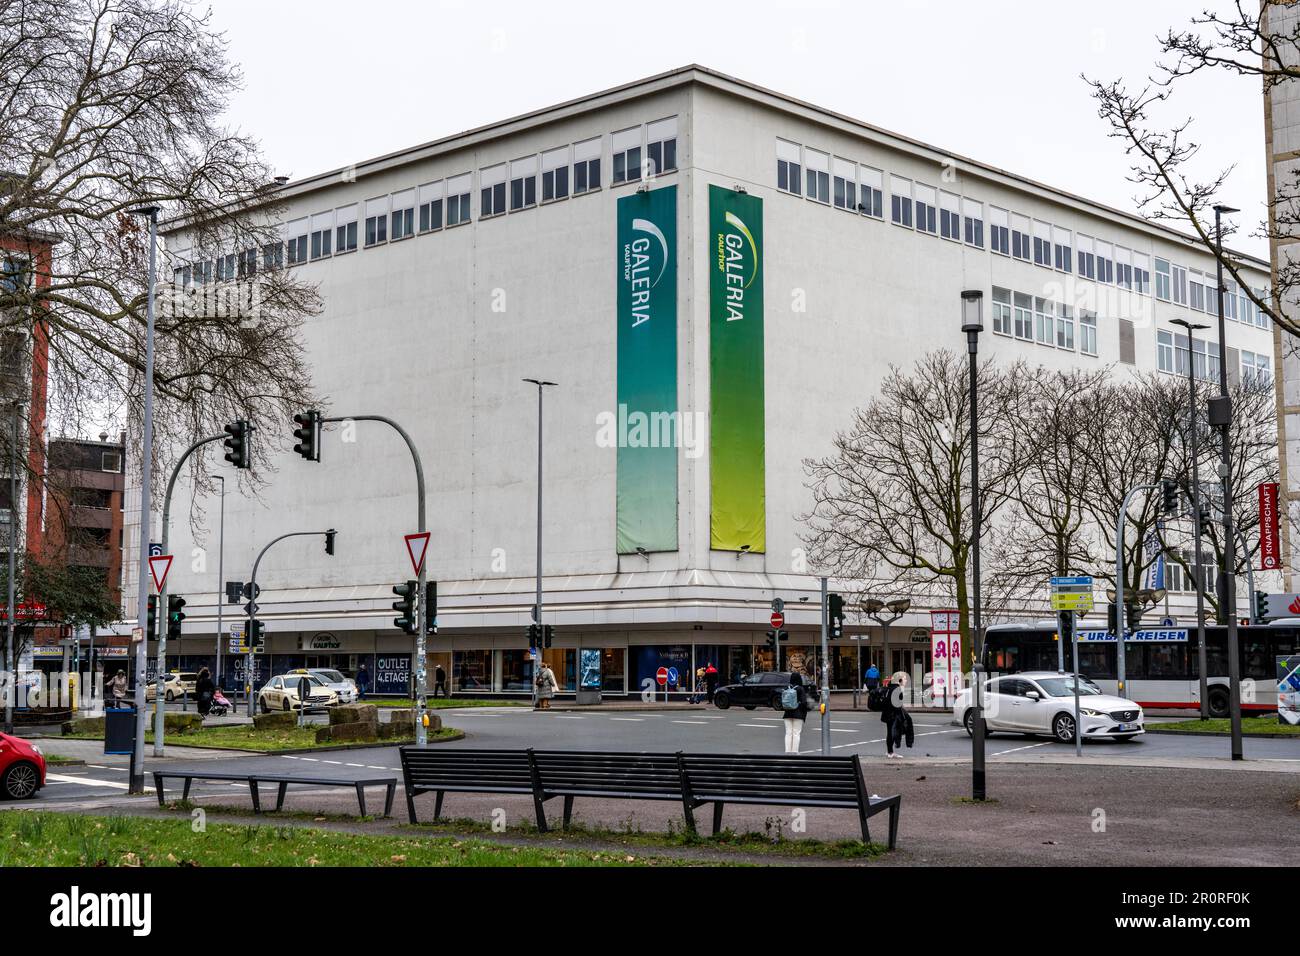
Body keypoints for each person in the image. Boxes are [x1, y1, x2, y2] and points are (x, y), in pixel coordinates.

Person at [879, 677, 914, 759]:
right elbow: (898, 703)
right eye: (904, 680)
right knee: (893, 733)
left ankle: (889, 751)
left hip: (887, 713)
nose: (905, 681)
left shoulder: (888, 688)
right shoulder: (897, 689)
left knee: (890, 732)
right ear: (899, 681)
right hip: (893, 714)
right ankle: (890, 752)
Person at [780, 671, 811, 754]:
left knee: (788, 733)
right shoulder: (800, 689)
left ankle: (787, 751)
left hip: (787, 714)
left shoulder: (787, 688)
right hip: (798, 714)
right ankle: (795, 752)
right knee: (796, 733)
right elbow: (804, 702)